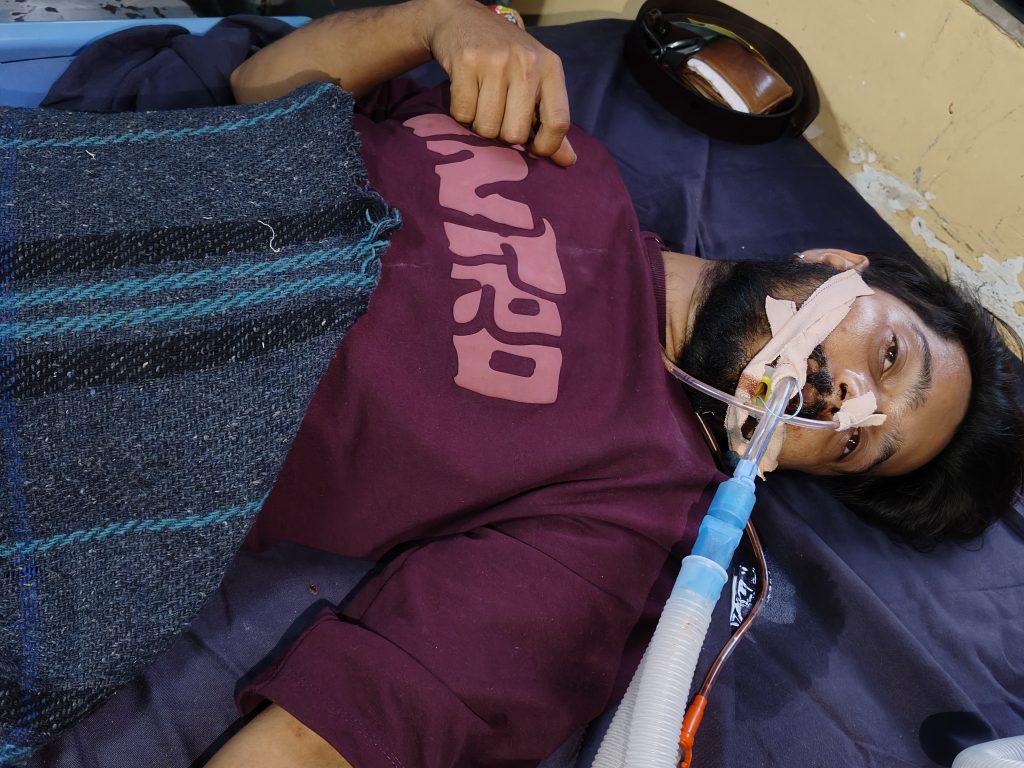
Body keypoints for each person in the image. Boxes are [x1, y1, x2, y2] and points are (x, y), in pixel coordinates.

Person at [196, 0, 1024, 765]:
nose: (848, 401)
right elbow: (259, 87)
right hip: (152, 177)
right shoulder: (565, 154)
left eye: (855, 445)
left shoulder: (621, 520)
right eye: (890, 356)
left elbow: (336, 735)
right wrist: (437, 21)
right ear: (840, 264)